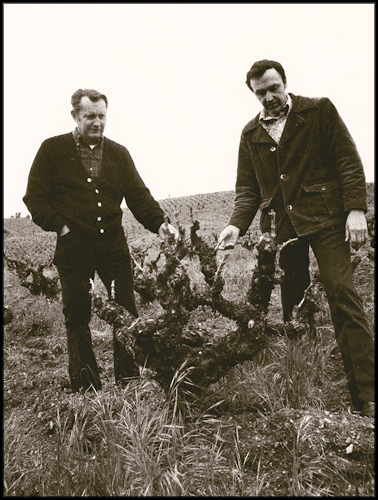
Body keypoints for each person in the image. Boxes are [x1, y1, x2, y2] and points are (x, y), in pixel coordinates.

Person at [217, 60, 374, 418]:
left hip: (328, 218)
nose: (269, 97)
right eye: (261, 93)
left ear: (285, 82)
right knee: (293, 307)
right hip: (281, 230)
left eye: (274, 88)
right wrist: (235, 225)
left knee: (342, 295)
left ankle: (366, 393)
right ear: (253, 94)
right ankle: (304, 384)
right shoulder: (250, 134)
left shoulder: (318, 110)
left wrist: (355, 209)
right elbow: (247, 189)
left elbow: (348, 161)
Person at [23, 89, 178, 393]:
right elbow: (34, 198)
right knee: (77, 315)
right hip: (73, 249)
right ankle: (85, 386)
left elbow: (138, 195)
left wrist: (160, 224)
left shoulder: (119, 153)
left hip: (113, 249)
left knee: (126, 311)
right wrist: (60, 227)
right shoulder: (52, 149)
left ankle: (129, 380)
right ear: (75, 117)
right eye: (89, 116)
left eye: (101, 116)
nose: (97, 122)